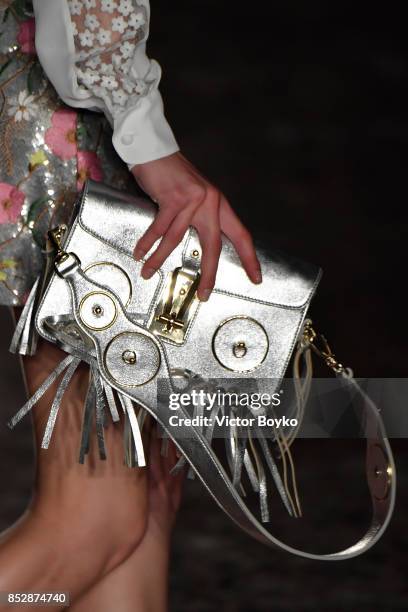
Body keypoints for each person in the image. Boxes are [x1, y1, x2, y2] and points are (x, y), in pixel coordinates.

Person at [0, 1, 261, 610]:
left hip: (60, 109)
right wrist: (145, 134)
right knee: (95, 521)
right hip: (55, 115)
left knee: (144, 508)